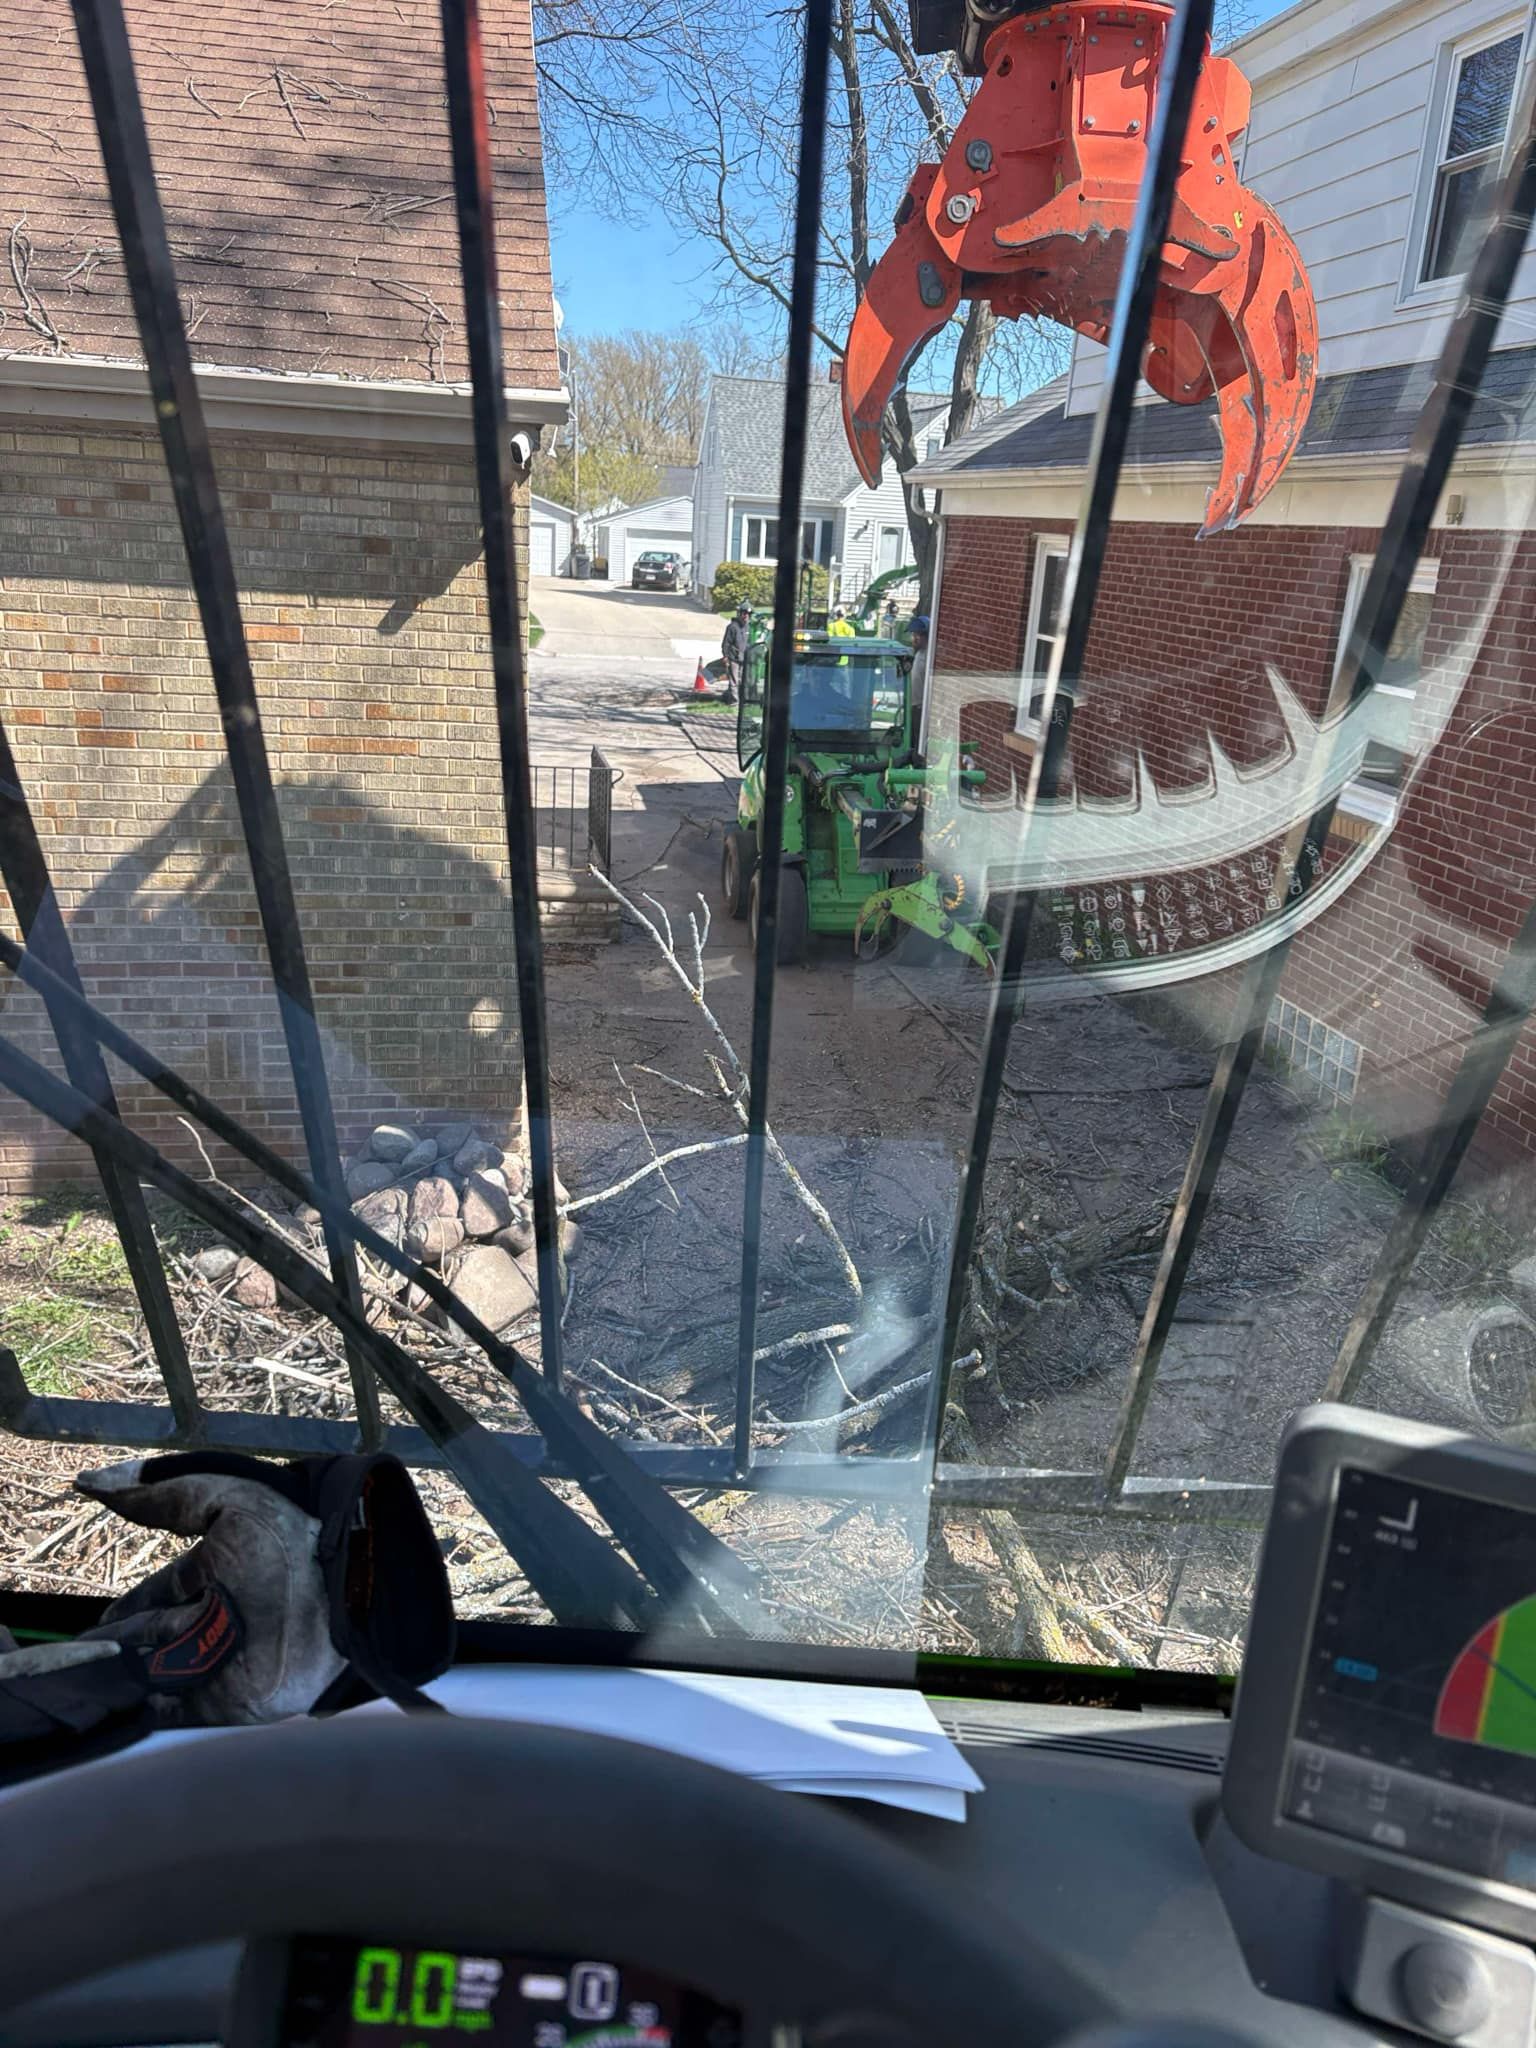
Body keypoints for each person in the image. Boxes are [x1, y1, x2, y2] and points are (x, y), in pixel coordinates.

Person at [721, 604, 751, 702]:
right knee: (734, 680)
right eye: (744, 613)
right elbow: (726, 643)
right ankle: (734, 700)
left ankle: (742, 699)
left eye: (748, 614)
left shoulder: (748, 627)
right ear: (739, 613)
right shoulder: (732, 627)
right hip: (733, 658)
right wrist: (726, 657)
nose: (746, 616)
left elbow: (749, 643)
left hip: (744, 658)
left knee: (742, 679)